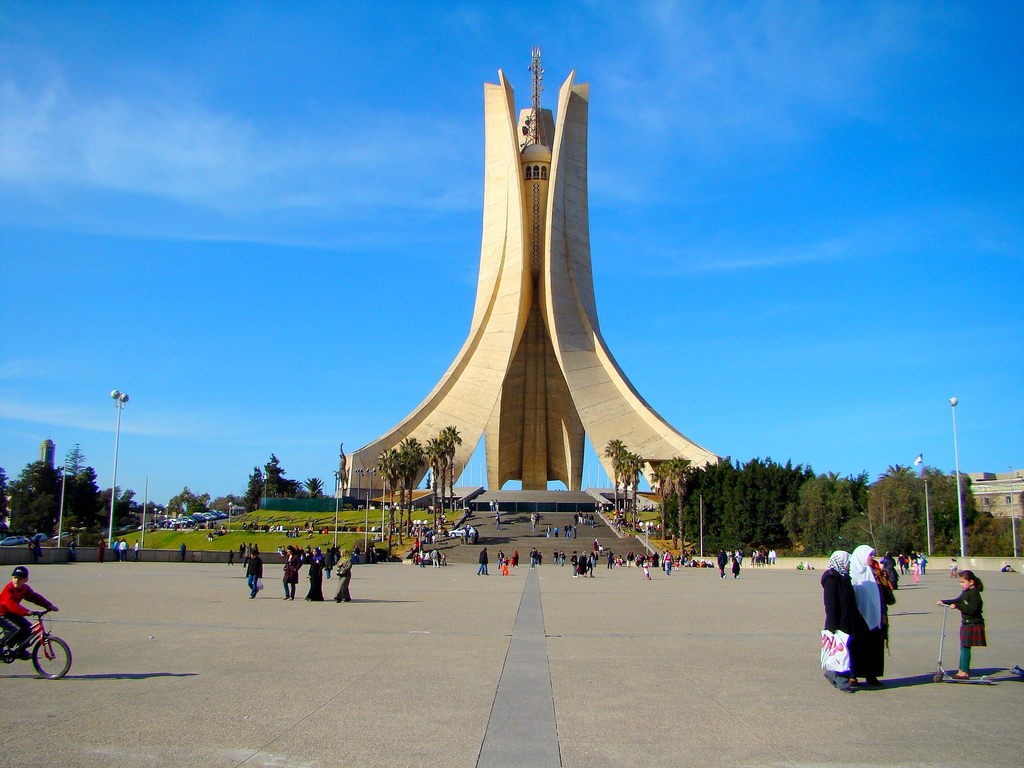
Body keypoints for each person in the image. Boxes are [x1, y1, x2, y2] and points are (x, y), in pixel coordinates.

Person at [849, 545, 891, 687]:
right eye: (870, 555)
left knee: (873, 648)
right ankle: (853, 676)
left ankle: (871, 675)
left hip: (875, 617)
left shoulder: (874, 573)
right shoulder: (851, 574)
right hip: (858, 619)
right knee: (856, 647)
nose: (872, 558)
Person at [938, 570, 986, 680]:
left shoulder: (975, 594)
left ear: (971, 582)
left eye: (963, 582)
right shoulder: (966, 592)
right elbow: (958, 600)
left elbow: (973, 610)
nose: (961, 584)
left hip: (973, 623)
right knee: (964, 646)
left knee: (965, 646)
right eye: (960, 582)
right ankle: (962, 670)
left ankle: (964, 672)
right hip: (966, 623)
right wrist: (944, 601)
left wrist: (958, 607)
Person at [0, 567, 57, 657]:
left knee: (27, 628)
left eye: (19, 579)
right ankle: (3, 646)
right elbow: (11, 604)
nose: (16, 580)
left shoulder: (24, 589)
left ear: (26, 580)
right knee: (15, 629)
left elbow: (34, 597)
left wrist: (49, 605)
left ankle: (20, 650)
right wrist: (26, 612)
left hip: (11, 613)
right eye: (14, 578)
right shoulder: (9, 588)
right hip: (2, 614)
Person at [821, 551, 856, 691]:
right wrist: (833, 626)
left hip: (848, 620)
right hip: (838, 623)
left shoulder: (844, 578)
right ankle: (843, 681)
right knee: (841, 652)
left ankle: (834, 674)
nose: (849, 565)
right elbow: (830, 604)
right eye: (848, 562)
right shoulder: (831, 579)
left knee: (846, 650)